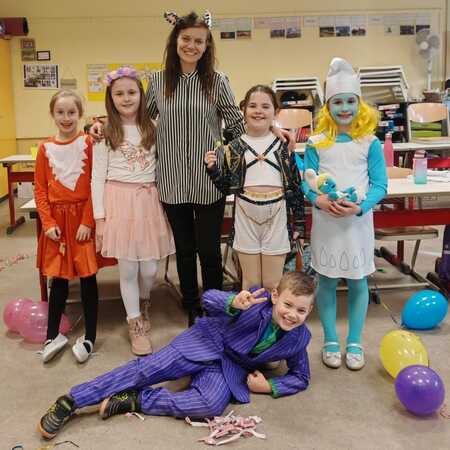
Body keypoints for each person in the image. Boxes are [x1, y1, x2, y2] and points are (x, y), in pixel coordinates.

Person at [90, 11, 292, 326]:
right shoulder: (158, 82)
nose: (192, 46)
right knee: (184, 251)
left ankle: (214, 306)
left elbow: (236, 124)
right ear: (176, 41)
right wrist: (100, 124)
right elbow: (138, 119)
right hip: (170, 181)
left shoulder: (218, 81)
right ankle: (191, 306)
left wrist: (271, 128)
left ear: (206, 45)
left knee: (209, 251)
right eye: (186, 39)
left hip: (208, 181)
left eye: (199, 41)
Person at [37, 271, 314, 440]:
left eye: (301, 310)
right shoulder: (255, 299)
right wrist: (232, 302)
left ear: (309, 312)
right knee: (146, 370)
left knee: (210, 405)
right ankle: (72, 400)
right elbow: (208, 300)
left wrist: (270, 385)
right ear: (275, 296)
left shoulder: (299, 338)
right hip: (204, 341)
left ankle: (136, 400)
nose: (292, 314)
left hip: (226, 369)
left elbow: (301, 377)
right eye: (288, 304)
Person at [302, 57, 387, 370]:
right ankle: (330, 339)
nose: (345, 108)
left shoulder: (370, 143)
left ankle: (354, 340)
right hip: (326, 223)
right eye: (337, 102)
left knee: (358, 282)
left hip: (357, 224)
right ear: (328, 107)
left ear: (359, 104)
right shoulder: (316, 143)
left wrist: (360, 207)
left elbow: (380, 185)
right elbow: (306, 182)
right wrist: (319, 200)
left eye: (351, 101)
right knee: (326, 280)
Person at [91, 66, 175, 356]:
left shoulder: (154, 126)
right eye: (119, 93)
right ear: (110, 98)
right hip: (119, 202)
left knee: (149, 268)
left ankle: (143, 298)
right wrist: (100, 219)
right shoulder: (105, 132)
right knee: (128, 268)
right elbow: (96, 178)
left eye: (131, 92)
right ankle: (135, 322)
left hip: (148, 201)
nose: (126, 98)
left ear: (141, 95)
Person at [204, 85, 305, 291]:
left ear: (275, 112)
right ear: (244, 110)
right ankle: (251, 314)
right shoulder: (234, 147)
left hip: (277, 216)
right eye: (252, 106)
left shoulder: (284, 145)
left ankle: (271, 314)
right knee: (251, 284)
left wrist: (300, 225)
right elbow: (226, 188)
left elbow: (295, 186)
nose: (258, 111)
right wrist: (212, 170)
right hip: (245, 216)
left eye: (265, 106)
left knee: (273, 284)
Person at [34, 90, 100, 364]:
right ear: (52, 114)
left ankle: (90, 336)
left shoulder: (89, 143)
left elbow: (96, 183)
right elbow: (40, 190)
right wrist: (48, 223)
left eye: (72, 112)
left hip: (82, 220)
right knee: (58, 279)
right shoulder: (44, 149)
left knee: (87, 277)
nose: (66, 118)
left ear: (80, 114)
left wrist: (87, 220)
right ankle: (52, 336)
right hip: (57, 225)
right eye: (60, 112)